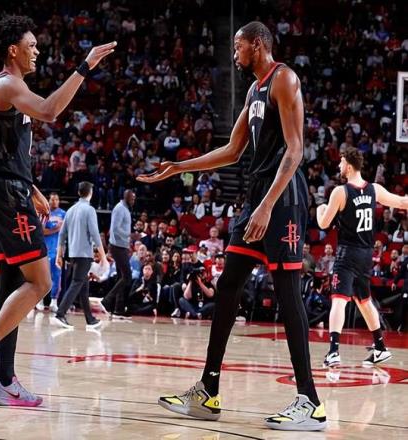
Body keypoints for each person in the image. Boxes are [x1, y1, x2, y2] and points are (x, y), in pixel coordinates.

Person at [138, 21, 325, 431]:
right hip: (256, 197)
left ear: (257, 45)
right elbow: (232, 149)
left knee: (288, 292)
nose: (234, 53)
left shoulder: (284, 79)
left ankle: (310, 401)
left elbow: (295, 150)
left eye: (239, 46)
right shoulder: (255, 91)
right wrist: (180, 167)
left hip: (283, 198)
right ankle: (208, 391)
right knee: (227, 286)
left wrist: (267, 206)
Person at [0, 14, 116, 406]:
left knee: (12, 285)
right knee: (41, 283)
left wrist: (31, 189)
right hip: (6, 194)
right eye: (32, 45)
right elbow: (50, 111)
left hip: (12, 189)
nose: (38, 51)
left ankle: (6, 382)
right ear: (14, 50)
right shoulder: (7, 84)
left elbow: (10, 152)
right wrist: (85, 66)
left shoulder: (15, 86)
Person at [317, 148, 408, 368]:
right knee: (364, 300)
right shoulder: (374, 189)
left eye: (341, 163)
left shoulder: (340, 191)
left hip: (347, 253)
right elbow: (402, 202)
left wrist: (321, 208)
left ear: (348, 166)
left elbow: (323, 223)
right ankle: (380, 348)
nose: (339, 166)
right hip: (366, 254)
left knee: (339, 299)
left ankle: (333, 351)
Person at [53, 182, 108, 329]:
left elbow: (62, 234)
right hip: (84, 253)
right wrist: (103, 256)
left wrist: (59, 255)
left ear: (79, 193)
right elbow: (95, 234)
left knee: (83, 286)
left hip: (73, 253)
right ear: (90, 193)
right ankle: (60, 314)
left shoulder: (70, 210)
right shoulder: (89, 210)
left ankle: (90, 319)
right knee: (77, 282)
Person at [100, 190, 136, 319]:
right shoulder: (119, 208)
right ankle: (106, 301)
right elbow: (115, 229)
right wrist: (130, 235)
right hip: (117, 247)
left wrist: (127, 243)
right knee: (127, 276)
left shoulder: (125, 209)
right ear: (126, 197)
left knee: (121, 277)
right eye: (132, 198)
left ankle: (118, 309)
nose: (134, 201)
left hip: (122, 246)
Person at [37, 192, 65, 312]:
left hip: (57, 249)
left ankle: (54, 301)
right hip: (45, 248)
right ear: (48, 200)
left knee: (57, 276)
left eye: (56, 199)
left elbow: (65, 232)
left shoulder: (63, 214)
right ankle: (39, 300)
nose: (54, 202)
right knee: (42, 276)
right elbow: (42, 231)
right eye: (52, 199)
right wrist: (57, 228)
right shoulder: (45, 213)